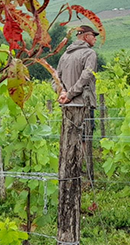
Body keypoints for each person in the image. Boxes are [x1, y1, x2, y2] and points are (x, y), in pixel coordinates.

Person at [57, 24, 100, 168]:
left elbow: (55, 78)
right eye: (93, 35)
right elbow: (86, 76)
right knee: (85, 136)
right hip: (83, 103)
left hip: (67, 105)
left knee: (69, 136)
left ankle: (69, 167)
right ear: (86, 36)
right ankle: (81, 169)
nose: (95, 38)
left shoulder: (65, 55)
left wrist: (62, 93)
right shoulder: (89, 54)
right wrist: (70, 94)